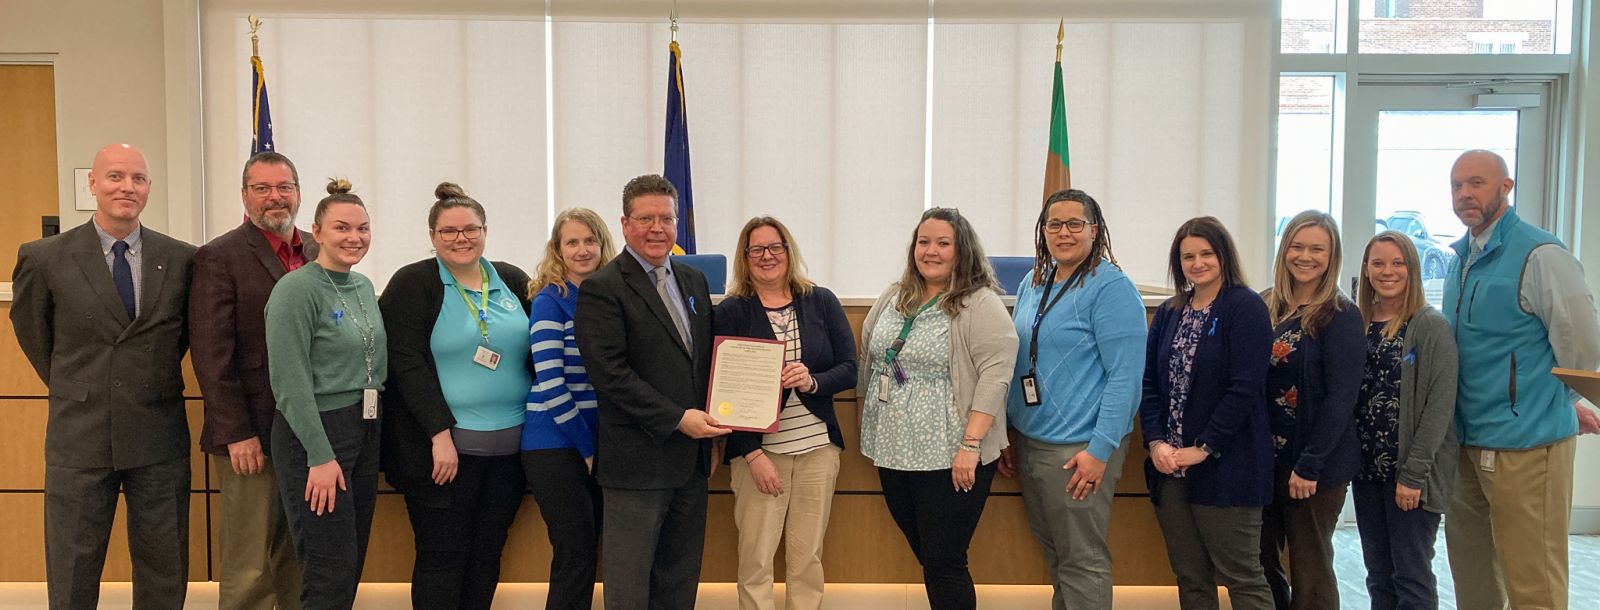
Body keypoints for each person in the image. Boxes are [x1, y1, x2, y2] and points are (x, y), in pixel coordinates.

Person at [10, 143, 196, 609]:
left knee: (164, 566)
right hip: (80, 432)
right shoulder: (44, 257)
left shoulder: (181, 259)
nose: (126, 187)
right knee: (72, 568)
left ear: (149, 188)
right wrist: (78, 383)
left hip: (157, 431)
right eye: (115, 177)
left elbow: (182, 337)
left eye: (137, 179)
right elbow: (35, 335)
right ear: (92, 183)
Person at [1442, 149, 1600, 610]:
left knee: (1534, 583)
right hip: (1467, 442)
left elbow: (1583, 352)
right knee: (1473, 579)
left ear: (1505, 188)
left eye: (1477, 183)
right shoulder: (1462, 257)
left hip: (1527, 447)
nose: (1465, 194)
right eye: (1457, 185)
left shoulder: (1541, 254)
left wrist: (1550, 399)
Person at [574, 174, 726, 609]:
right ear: (624, 224)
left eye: (666, 218)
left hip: (692, 462)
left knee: (679, 581)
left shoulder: (694, 280)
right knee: (629, 585)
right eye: (646, 219)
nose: (657, 228)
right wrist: (679, 419)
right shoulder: (603, 288)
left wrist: (717, 432)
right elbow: (610, 374)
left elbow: (703, 365)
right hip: (637, 464)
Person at [378, 183, 533, 610]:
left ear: (485, 231)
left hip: (509, 450)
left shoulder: (513, 280)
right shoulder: (413, 283)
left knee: (487, 553)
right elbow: (405, 364)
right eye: (448, 231)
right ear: (432, 236)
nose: (460, 238)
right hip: (441, 453)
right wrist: (438, 433)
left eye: (470, 229)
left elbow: (538, 351)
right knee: (442, 556)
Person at [857, 207, 1018, 610]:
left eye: (942, 243)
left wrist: (970, 445)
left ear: (961, 251)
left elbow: (995, 378)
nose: (931, 251)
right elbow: (870, 355)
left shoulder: (980, 304)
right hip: (893, 450)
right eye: (923, 242)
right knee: (930, 556)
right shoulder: (894, 296)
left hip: (951, 455)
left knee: (945, 560)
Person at [1001, 189, 1145, 610]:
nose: (1064, 233)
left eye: (1074, 224)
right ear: (1042, 231)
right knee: (1057, 555)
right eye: (1054, 224)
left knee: (1082, 561)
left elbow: (1126, 378)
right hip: (1032, 440)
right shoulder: (1034, 281)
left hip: (1081, 448)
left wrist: (1099, 451)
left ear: (1094, 230)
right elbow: (1018, 362)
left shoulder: (1112, 287)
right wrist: (1008, 430)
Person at [190, 151, 313, 610]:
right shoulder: (218, 257)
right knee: (251, 562)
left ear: (298, 193)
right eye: (262, 188)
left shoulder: (318, 252)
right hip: (252, 432)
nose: (274, 197)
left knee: (299, 552)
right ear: (245, 197)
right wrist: (236, 431)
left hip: (309, 430)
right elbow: (211, 354)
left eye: (284, 187)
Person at [715, 216, 858, 610]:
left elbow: (849, 367)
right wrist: (752, 454)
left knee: (807, 559)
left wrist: (812, 381)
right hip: (760, 456)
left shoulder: (821, 301)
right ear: (745, 258)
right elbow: (723, 395)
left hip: (817, 451)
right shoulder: (731, 312)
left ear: (788, 250)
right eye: (756, 249)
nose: (767, 256)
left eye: (775, 247)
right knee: (756, 560)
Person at [1139, 216, 1274, 610]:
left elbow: (1245, 388)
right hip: (1171, 470)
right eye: (1187, 257)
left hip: (1229, 467)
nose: (1197, 263)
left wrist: (1205, 446)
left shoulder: (1245, 307)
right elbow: (1149, 384)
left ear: (1224, 256)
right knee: (1191, 578)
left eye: (1206, 254)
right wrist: (1155, 442)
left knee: (1242, 578)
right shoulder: (1169, 312)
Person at [265, 179, 388, 609]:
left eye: (363, 228)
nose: (354, 237)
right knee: (327, 567)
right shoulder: (295, 290)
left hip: (364, 426)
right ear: (315, 233)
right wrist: (319, 454)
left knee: (349, 561)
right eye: (341, 228)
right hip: (315, 434)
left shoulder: (361, 286)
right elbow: (289, 383)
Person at [1257, 210, 1365, 610]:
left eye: (1317, 248)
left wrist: (1310, 465)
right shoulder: (1265, 304)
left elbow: (1341, 397)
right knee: (1260, 560)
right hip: (1264, 460)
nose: (1306, 256)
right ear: (1285, 249)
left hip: (1314, 465)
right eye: (1298, 246)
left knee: (1310, 569)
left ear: (1331, 255)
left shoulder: (1341, 314)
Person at [1352, 231, 1458, 610]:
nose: (1388, 271)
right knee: (1378, 574)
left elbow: (1438, 408)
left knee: (1411, 576)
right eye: (1378, 263)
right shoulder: (1359, 321)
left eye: (1398, 263)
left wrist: (1413, 476)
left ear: (1412, 269)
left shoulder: (1429, 326)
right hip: (1366, 472)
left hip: (1410, 477)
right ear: (1365, 270)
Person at [522, 207, 616, 610]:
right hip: (555, 443)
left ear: (602, 244)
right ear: (558, 250)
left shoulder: (609, 297)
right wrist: (589, 448)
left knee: (593, 553)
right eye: (572, 242)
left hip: (598, 439)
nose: (582, 249)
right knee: (574, 553)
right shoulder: (551, 300)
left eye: (589, 240)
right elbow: (552, 383)